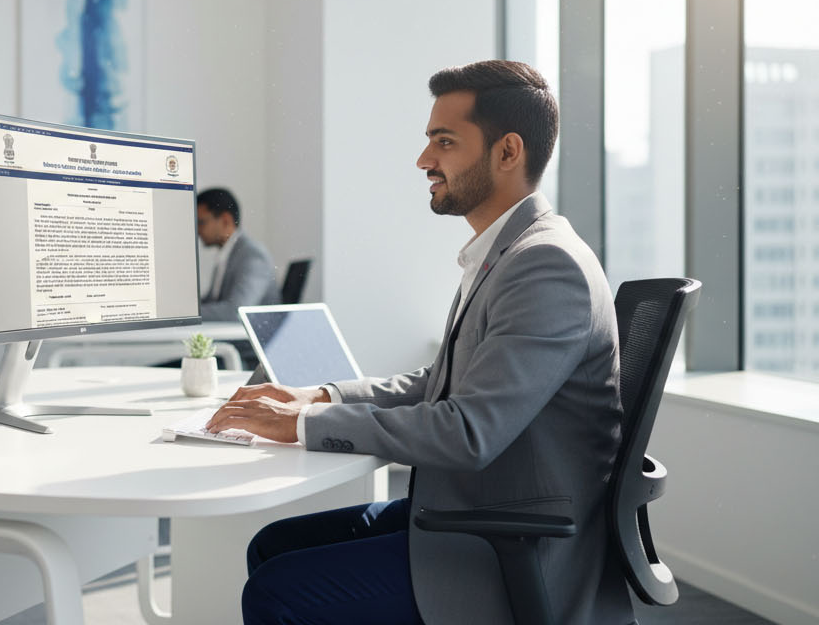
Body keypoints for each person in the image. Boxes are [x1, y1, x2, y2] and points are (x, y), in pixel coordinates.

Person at [207, 60, 630, 624]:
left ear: (508, 152)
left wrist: (300, 426)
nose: (424, 160)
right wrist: (321, 399)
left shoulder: (544, 265)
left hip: (511, 544)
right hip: (474, 509)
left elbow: (469, 431)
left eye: (444, 142)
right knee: (271, 546)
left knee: (277, 590)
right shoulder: (506, 253)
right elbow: (438, 383)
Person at [196, 187, 281, 322]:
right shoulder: (227, 254)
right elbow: (213, 300)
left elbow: (236, 311)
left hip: (245, 341)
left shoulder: (253, 255)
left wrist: (185, 314)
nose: (197, 230)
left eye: (201, 222)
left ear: (225, 220)